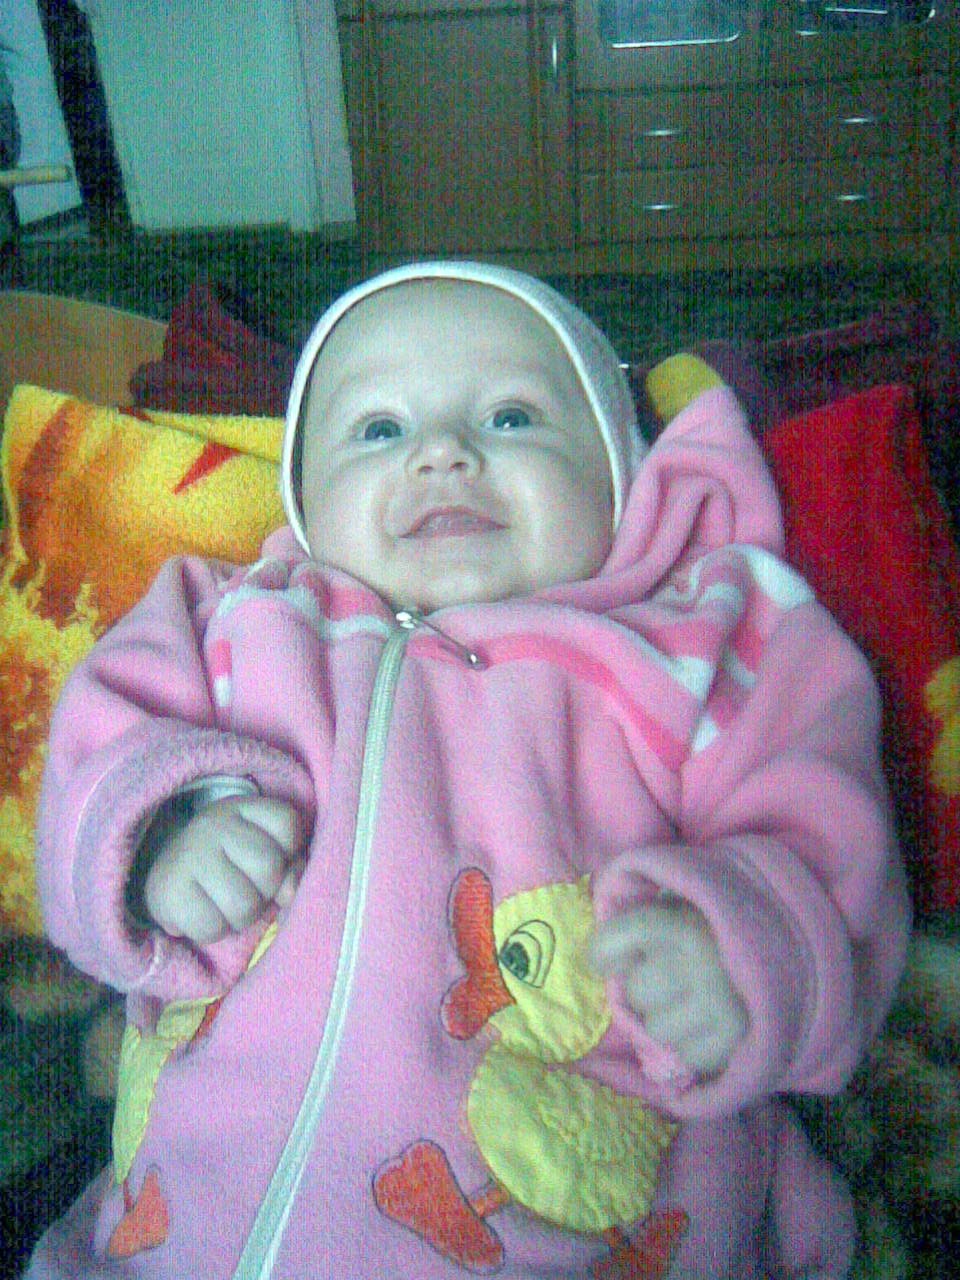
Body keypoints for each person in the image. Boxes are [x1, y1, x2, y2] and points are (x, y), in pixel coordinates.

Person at [28, 262, 909, 1279]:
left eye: (511, 417)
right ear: (303, 499)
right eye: (378, 429)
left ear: (623, 475)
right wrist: (163, 839)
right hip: (175, 1231)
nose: (442, 451)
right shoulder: (240, 617)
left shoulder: (692, 643)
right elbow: (95, 756)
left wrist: (743, 946)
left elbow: (826, 821)